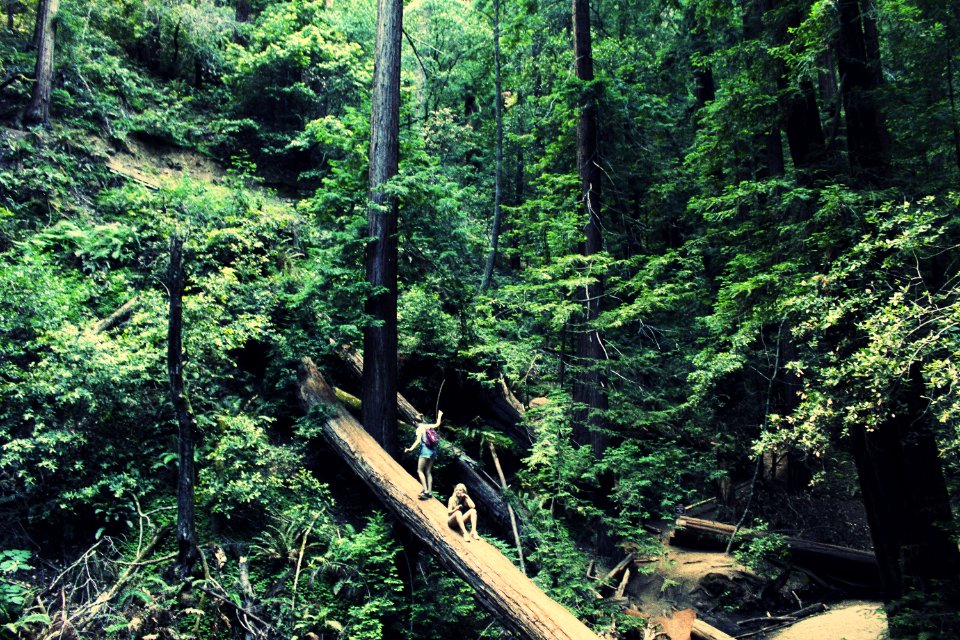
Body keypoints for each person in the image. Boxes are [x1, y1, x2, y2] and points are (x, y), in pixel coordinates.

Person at [404, 410, 442, 499]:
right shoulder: (427, 426)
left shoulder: (419, 429)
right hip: (433, 451)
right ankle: (429, 491)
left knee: (419, 470)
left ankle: (425, 491)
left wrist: (410, 449)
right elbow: (437, 424)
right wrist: (440, 415)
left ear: (414, 422)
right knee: (428, 471)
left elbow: (418, 440)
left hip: (425, 451)